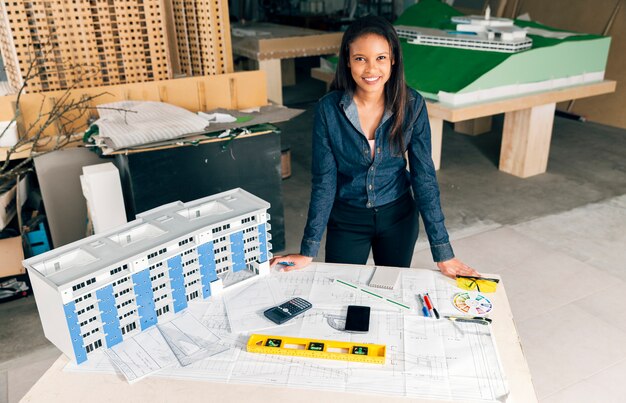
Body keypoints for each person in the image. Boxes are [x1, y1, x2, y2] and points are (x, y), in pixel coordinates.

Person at [270, 16, 478, 279]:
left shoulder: (412, 105)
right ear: (347, 60)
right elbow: (325, 180)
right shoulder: (328, 109)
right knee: (343, 292)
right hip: (346, 220)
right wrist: (308, 249)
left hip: (398, 218)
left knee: (389, 290)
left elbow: (424, 176)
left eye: (380, 58)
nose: (371, 69)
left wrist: (443, 252)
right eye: (360, 58)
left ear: (393, 59)